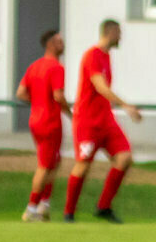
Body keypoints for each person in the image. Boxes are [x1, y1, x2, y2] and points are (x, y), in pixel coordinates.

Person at [63, 19, 142, 223]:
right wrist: (126, 105)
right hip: (88, 121)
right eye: (119, 33)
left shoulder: (107, 56)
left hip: (106, 120)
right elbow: (100, 87)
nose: (121, 37)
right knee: (83, 165)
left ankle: (103, 207)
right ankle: (69, 213)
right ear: (111, 32)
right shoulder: (92, 55)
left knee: (124, 158)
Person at [15, 30, 71, 221]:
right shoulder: (56, 67)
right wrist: (71, 114)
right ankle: (31, 209)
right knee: (45, 165)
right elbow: (58, 95)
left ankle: (43, 206)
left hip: (35, 120)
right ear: (50, 44)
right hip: (50, 121)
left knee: (53, 162)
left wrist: (38, 101)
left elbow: (21, 93)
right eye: (58, 41)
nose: (62, 44)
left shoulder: (34, 66)